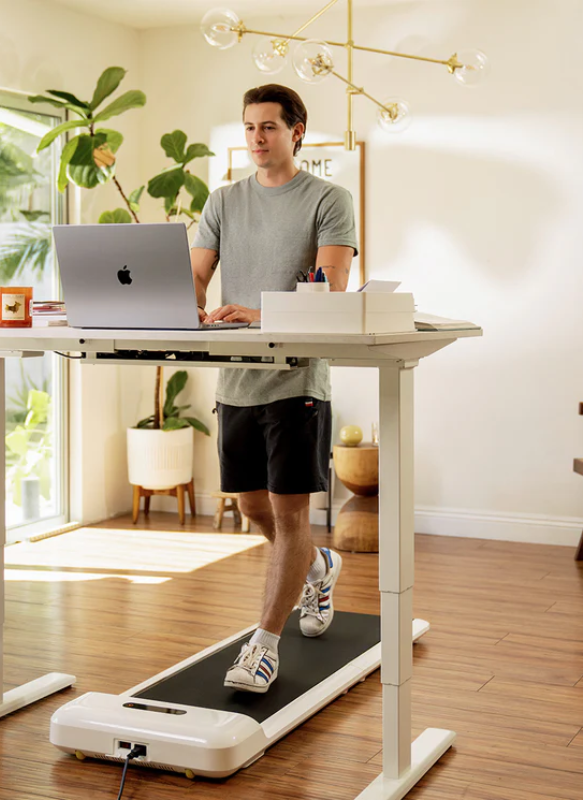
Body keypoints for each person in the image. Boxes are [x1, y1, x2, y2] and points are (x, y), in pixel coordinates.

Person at [190, 84, 358, 693]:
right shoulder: (223, 200)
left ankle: (263, 646)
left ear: (296, 132)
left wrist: (259, 315)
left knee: (290, 516)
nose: (256, 138)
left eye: (268, 127)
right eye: (249, 127)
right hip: (236, 378)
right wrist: (183, 302)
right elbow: (197, 275)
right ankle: (318, 565)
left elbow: (331, 290)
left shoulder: (329, 199)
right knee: (252, 508)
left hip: (296, 378)